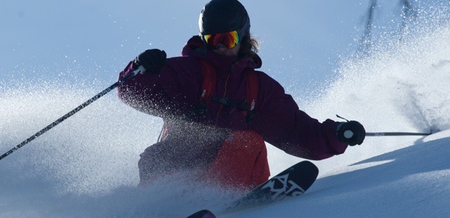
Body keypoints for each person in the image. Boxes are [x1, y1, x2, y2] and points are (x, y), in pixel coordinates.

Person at [117, 0, 365, 191]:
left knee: (248, 142)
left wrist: (336, 135)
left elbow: (297, 132)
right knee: (154, 157)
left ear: (243, 37)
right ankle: (152, 213)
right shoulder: (186, 72)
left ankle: (225, 203)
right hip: (177, 168)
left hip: (232, 178)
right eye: (212, 40)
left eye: (227, 38)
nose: (220, 45)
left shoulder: (257, 89)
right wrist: (140, 68)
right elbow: (131, 91)